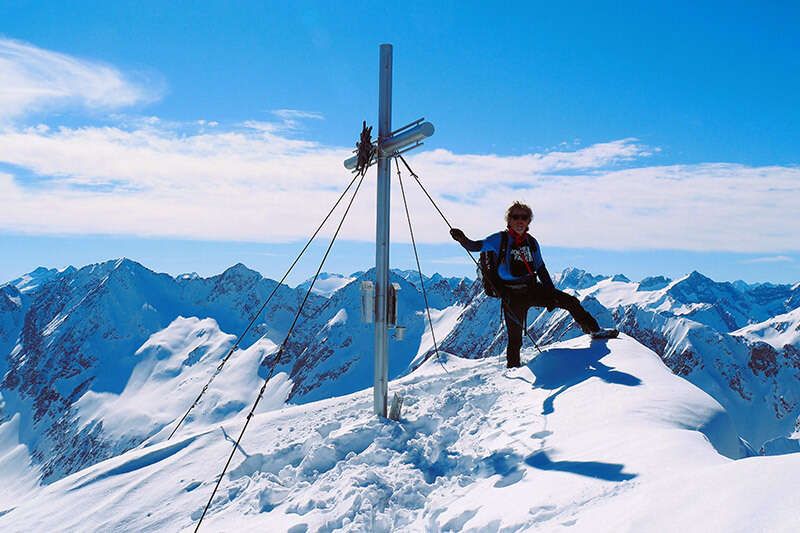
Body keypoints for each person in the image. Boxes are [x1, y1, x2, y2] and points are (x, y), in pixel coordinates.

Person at [450, 201, 606, 368]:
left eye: (524, 217)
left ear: (528, 221)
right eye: (515, 216)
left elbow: (540, 267)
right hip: (511, 294)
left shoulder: (531, 242)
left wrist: (551, 292)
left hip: (532, 289)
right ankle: (513, 369)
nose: (519, 220)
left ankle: (594, 330)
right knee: (515, 338)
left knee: (571, 302)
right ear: (508, 220)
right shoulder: (499, 239)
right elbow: (475, 246)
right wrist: (462, 239)